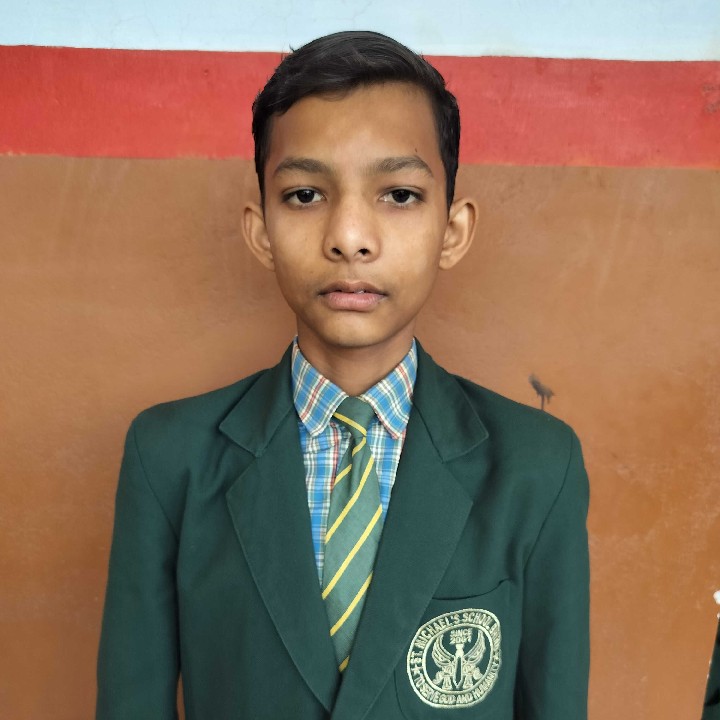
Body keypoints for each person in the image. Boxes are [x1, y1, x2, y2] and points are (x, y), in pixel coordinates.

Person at [97, 30, 590, 719]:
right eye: (305, 194)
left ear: (452, 230)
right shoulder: (170, 458)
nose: (349, 237)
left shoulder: (537, 466)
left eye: (399, 194)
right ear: (261, 230)